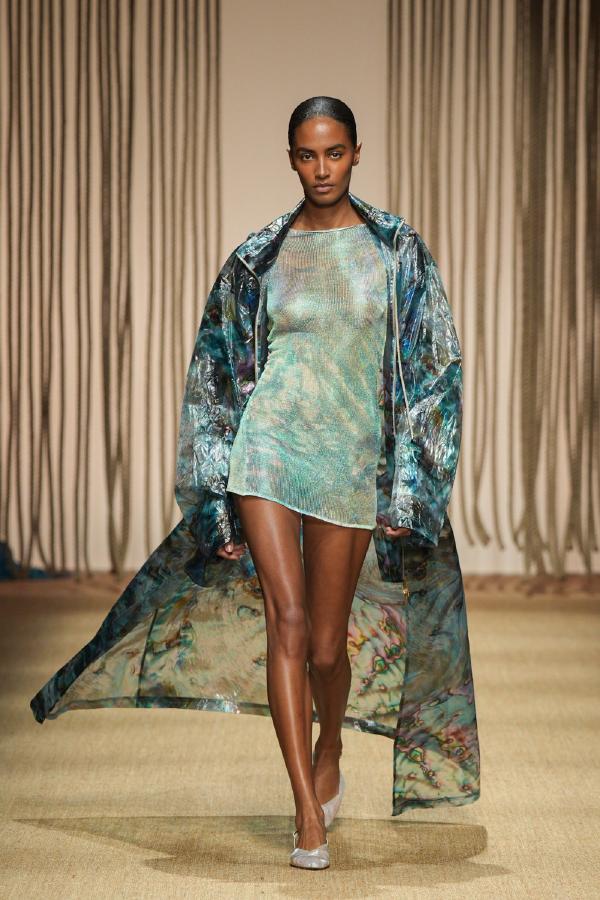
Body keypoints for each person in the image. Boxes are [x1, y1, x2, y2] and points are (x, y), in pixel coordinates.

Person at [30, 96, 480, 872]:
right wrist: (214, 494)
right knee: (288, 622)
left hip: (348, 460)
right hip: (266, 449)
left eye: (334, 152)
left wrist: (413, 484)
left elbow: (435, 368)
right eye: (307, 154)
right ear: (291, 159)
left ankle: (330, 745)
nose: (321, 168)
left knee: (328, 650)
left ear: (357, 152)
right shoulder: (258, 258)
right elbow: (215, 372)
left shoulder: (396, 250)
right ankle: (305, 810)